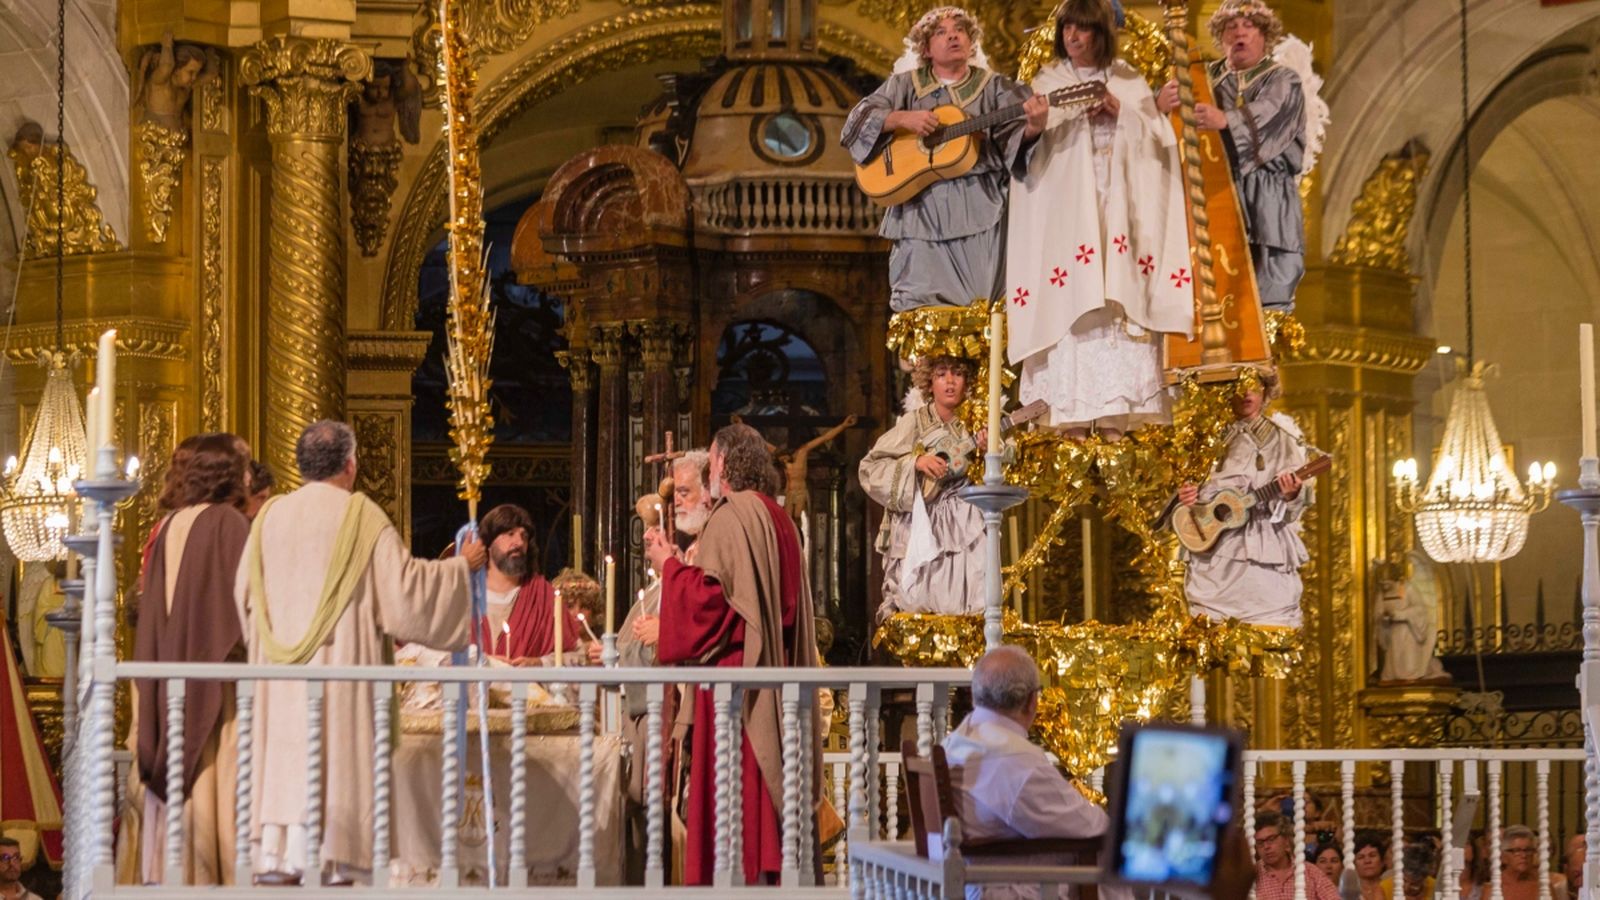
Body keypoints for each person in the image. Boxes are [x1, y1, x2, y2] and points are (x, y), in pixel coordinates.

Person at [235, 420, 486, 885]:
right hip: (339, 680)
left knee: (286, 764)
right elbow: (405, 596)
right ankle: (334, 856)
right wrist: (459, 569)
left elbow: (243, 597)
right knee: (334, 765)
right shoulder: (361, 516)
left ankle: (277, 855)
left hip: (278, 682)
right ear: (351, 465)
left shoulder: (268, 517)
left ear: (301, 466)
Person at [642, 423, 820, 885]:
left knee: (736, 803)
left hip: (737, 685)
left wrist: (669, 566)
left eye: (712, 462)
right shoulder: (777, 516)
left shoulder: (730, 514)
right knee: (764, 799)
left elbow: (710, 604)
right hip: (773, 672)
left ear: (722, 463)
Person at [1006, 0, 1193, 440]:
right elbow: (1019, 154)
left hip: (1120, 212)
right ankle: (1070, 410)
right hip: (1067, 218)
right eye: (1068, 27)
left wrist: (1123, 114)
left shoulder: (1128, 80)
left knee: (1114, 302)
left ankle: (1116, 412)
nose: (1073, 36)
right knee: (1075, 304)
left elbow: (1160, 147)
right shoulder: (1047, 81)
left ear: (1100, 34)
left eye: (1083, 29)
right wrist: (1033, 128)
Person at [841, 7, 1048, 311]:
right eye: (941, 31)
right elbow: (854, 124)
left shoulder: (996, 88)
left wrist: (1034, 127)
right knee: (920, 308)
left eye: (960, 30)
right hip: (919, 212)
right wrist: (901, 119)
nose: (953, 35)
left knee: (979, 308)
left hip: (978, 210)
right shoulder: (904, 86)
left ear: (971, 40)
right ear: (925, 48)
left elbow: (1014, 143)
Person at [124, 433, 253, 885]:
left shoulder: (169, 525)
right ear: (224, 474)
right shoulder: (227, 523)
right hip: (216, 690)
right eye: (244, 466)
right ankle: (211, 878)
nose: (250, 476)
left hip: (168, 679)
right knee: (213, 787)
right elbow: (245, 608)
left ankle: (166, 873)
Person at [1156, 0, 1304, 311]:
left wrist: (1227, 121)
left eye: (1248, 26)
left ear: (1264, 34)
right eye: (1230, 27)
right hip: (1218, 192)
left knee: (1270, 289)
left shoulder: (1283, 80)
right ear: (1220, 37)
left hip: (1269, 196)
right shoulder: (1203, 79)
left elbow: (1273, 114)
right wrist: (1159, 105)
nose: (1239, 33)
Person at [941, 646, 1110, 900]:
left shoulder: (956, 741)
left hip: (966, 879)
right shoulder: (1015, 758)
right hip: (1007, 885)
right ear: (1033, 702)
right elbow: (1090, 827)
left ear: (974, 697)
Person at [1179, 368, 1313, 627]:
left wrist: (1291, 493)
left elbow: (1298, 503)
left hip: (1262, 548)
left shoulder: (1283, 437)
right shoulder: (1207, 439)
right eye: (1239, 386)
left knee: (1267, 630)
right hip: (1215, 550)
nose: (1246, 393)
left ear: (1265, 389)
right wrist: (1188, 496)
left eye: (1254, 385)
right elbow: (1190, 494)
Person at [859, 356, 988, 619]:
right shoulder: (913, 422)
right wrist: (915, 462)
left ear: (968, 381)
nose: (950, 382)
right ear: (930, 381)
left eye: (957, 374)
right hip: (918, 521)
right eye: (941, 374)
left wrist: (990, 453)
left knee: (963, 601)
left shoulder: (978, 421)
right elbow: (870, 468)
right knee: (917, 599)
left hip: (963, 522)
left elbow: (1004, 474)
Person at [476, 503, 598, 665]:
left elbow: (579, 656)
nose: (518, 542)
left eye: (524, 536)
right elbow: (436, 656)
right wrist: (484, 662)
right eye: (510, 534)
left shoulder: (543, 596)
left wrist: (540, 663)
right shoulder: (464, 598)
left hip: (530, 689)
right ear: (488, 544)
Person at [1374, 552, 1446, 682]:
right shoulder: (1382, 594)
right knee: (1393, 663)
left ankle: (1414, 674)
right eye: (1382, 584)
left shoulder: (1407, 589)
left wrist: (1401, 615)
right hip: (1392, 633)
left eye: (1387, 584)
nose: (1385, 587)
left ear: (1394, 579)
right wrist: (1384, 618)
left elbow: (1420, 610)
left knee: (1409, 665)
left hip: (1409, 633)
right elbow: (1378, 613)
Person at [1252, 814, 1339, 900]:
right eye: (1260, 842)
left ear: (1286, 840)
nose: (1266, 846)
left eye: (1271, 839)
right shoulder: (1251, 876)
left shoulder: (1310, 872)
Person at [1501, 826, 1567, 900]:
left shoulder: (1544, 888)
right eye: (1517, 851)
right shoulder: (1493, 887)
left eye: (1528, 850)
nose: (1523, 855)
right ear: (1504, 856)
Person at [1353, 835, 1387, 900]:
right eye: (1361, 857)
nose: (1367, 861)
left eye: (1372, 855)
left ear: (1382, 861)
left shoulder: (1392, 888)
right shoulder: (1347, 892)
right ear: (1354, 864)